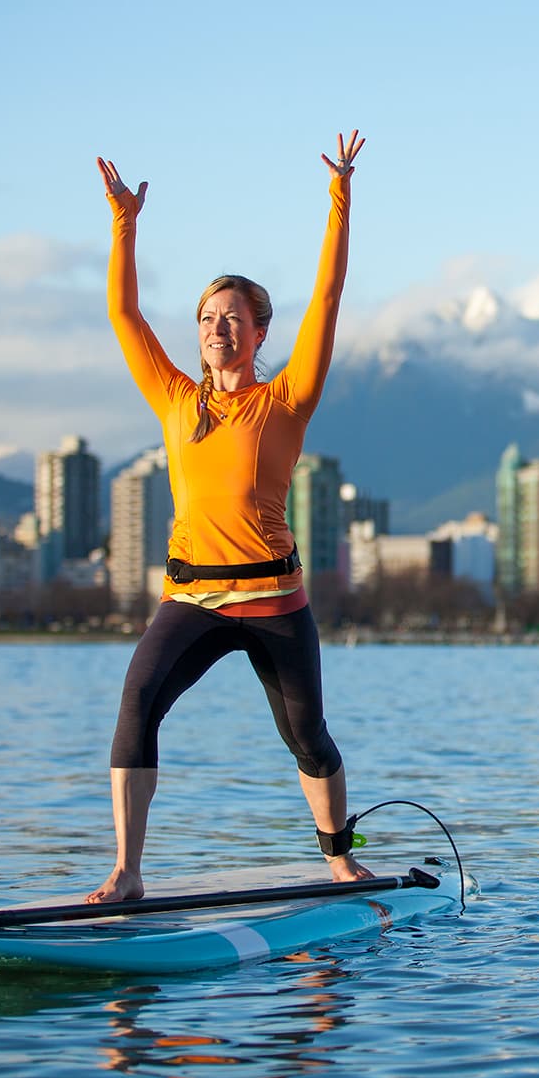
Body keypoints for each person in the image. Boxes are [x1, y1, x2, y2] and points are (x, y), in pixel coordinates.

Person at [87, 131, 370, 904]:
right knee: (137, 704)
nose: (217, 327)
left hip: (277, 605)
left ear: (259, 332)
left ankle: (339, 858)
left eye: (233, 316)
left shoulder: (286, 399)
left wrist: (340, 196)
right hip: (192, 600)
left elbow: (329, 297)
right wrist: (124, 222)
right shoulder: (176, 399)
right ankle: (127, 872)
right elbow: (121, 311)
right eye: (208, 317)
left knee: (307, 739)